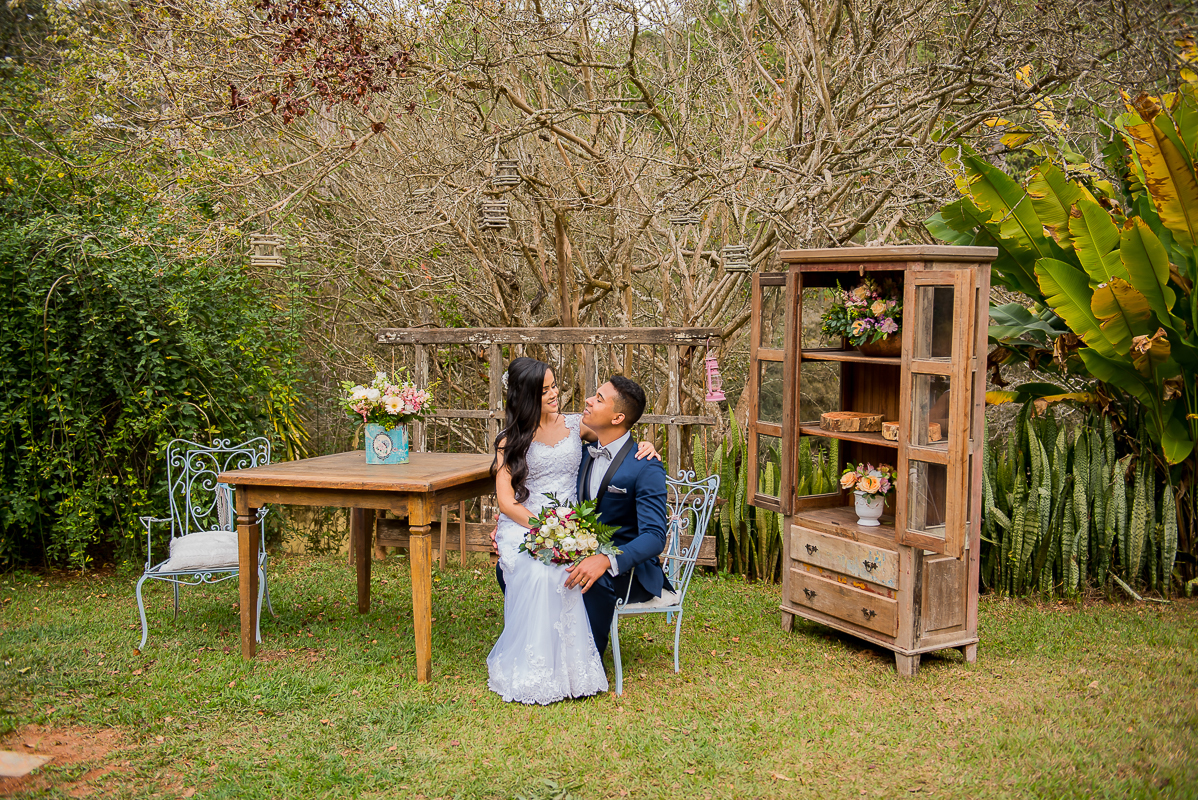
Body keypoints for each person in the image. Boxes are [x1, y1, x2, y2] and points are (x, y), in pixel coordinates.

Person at [486, 358, 661, 705]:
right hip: (531, 521)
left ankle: (572, 659)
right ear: (526, 396)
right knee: (538, 571)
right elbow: (506, 502)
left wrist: (647, 445)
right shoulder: (510, 440)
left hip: (573, 524)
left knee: (559, 572)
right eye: (545, 390)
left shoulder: (575, 426)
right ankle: (539, 661)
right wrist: (544, 530)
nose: (555, 394)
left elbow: (618, 436)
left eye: (554, 386)